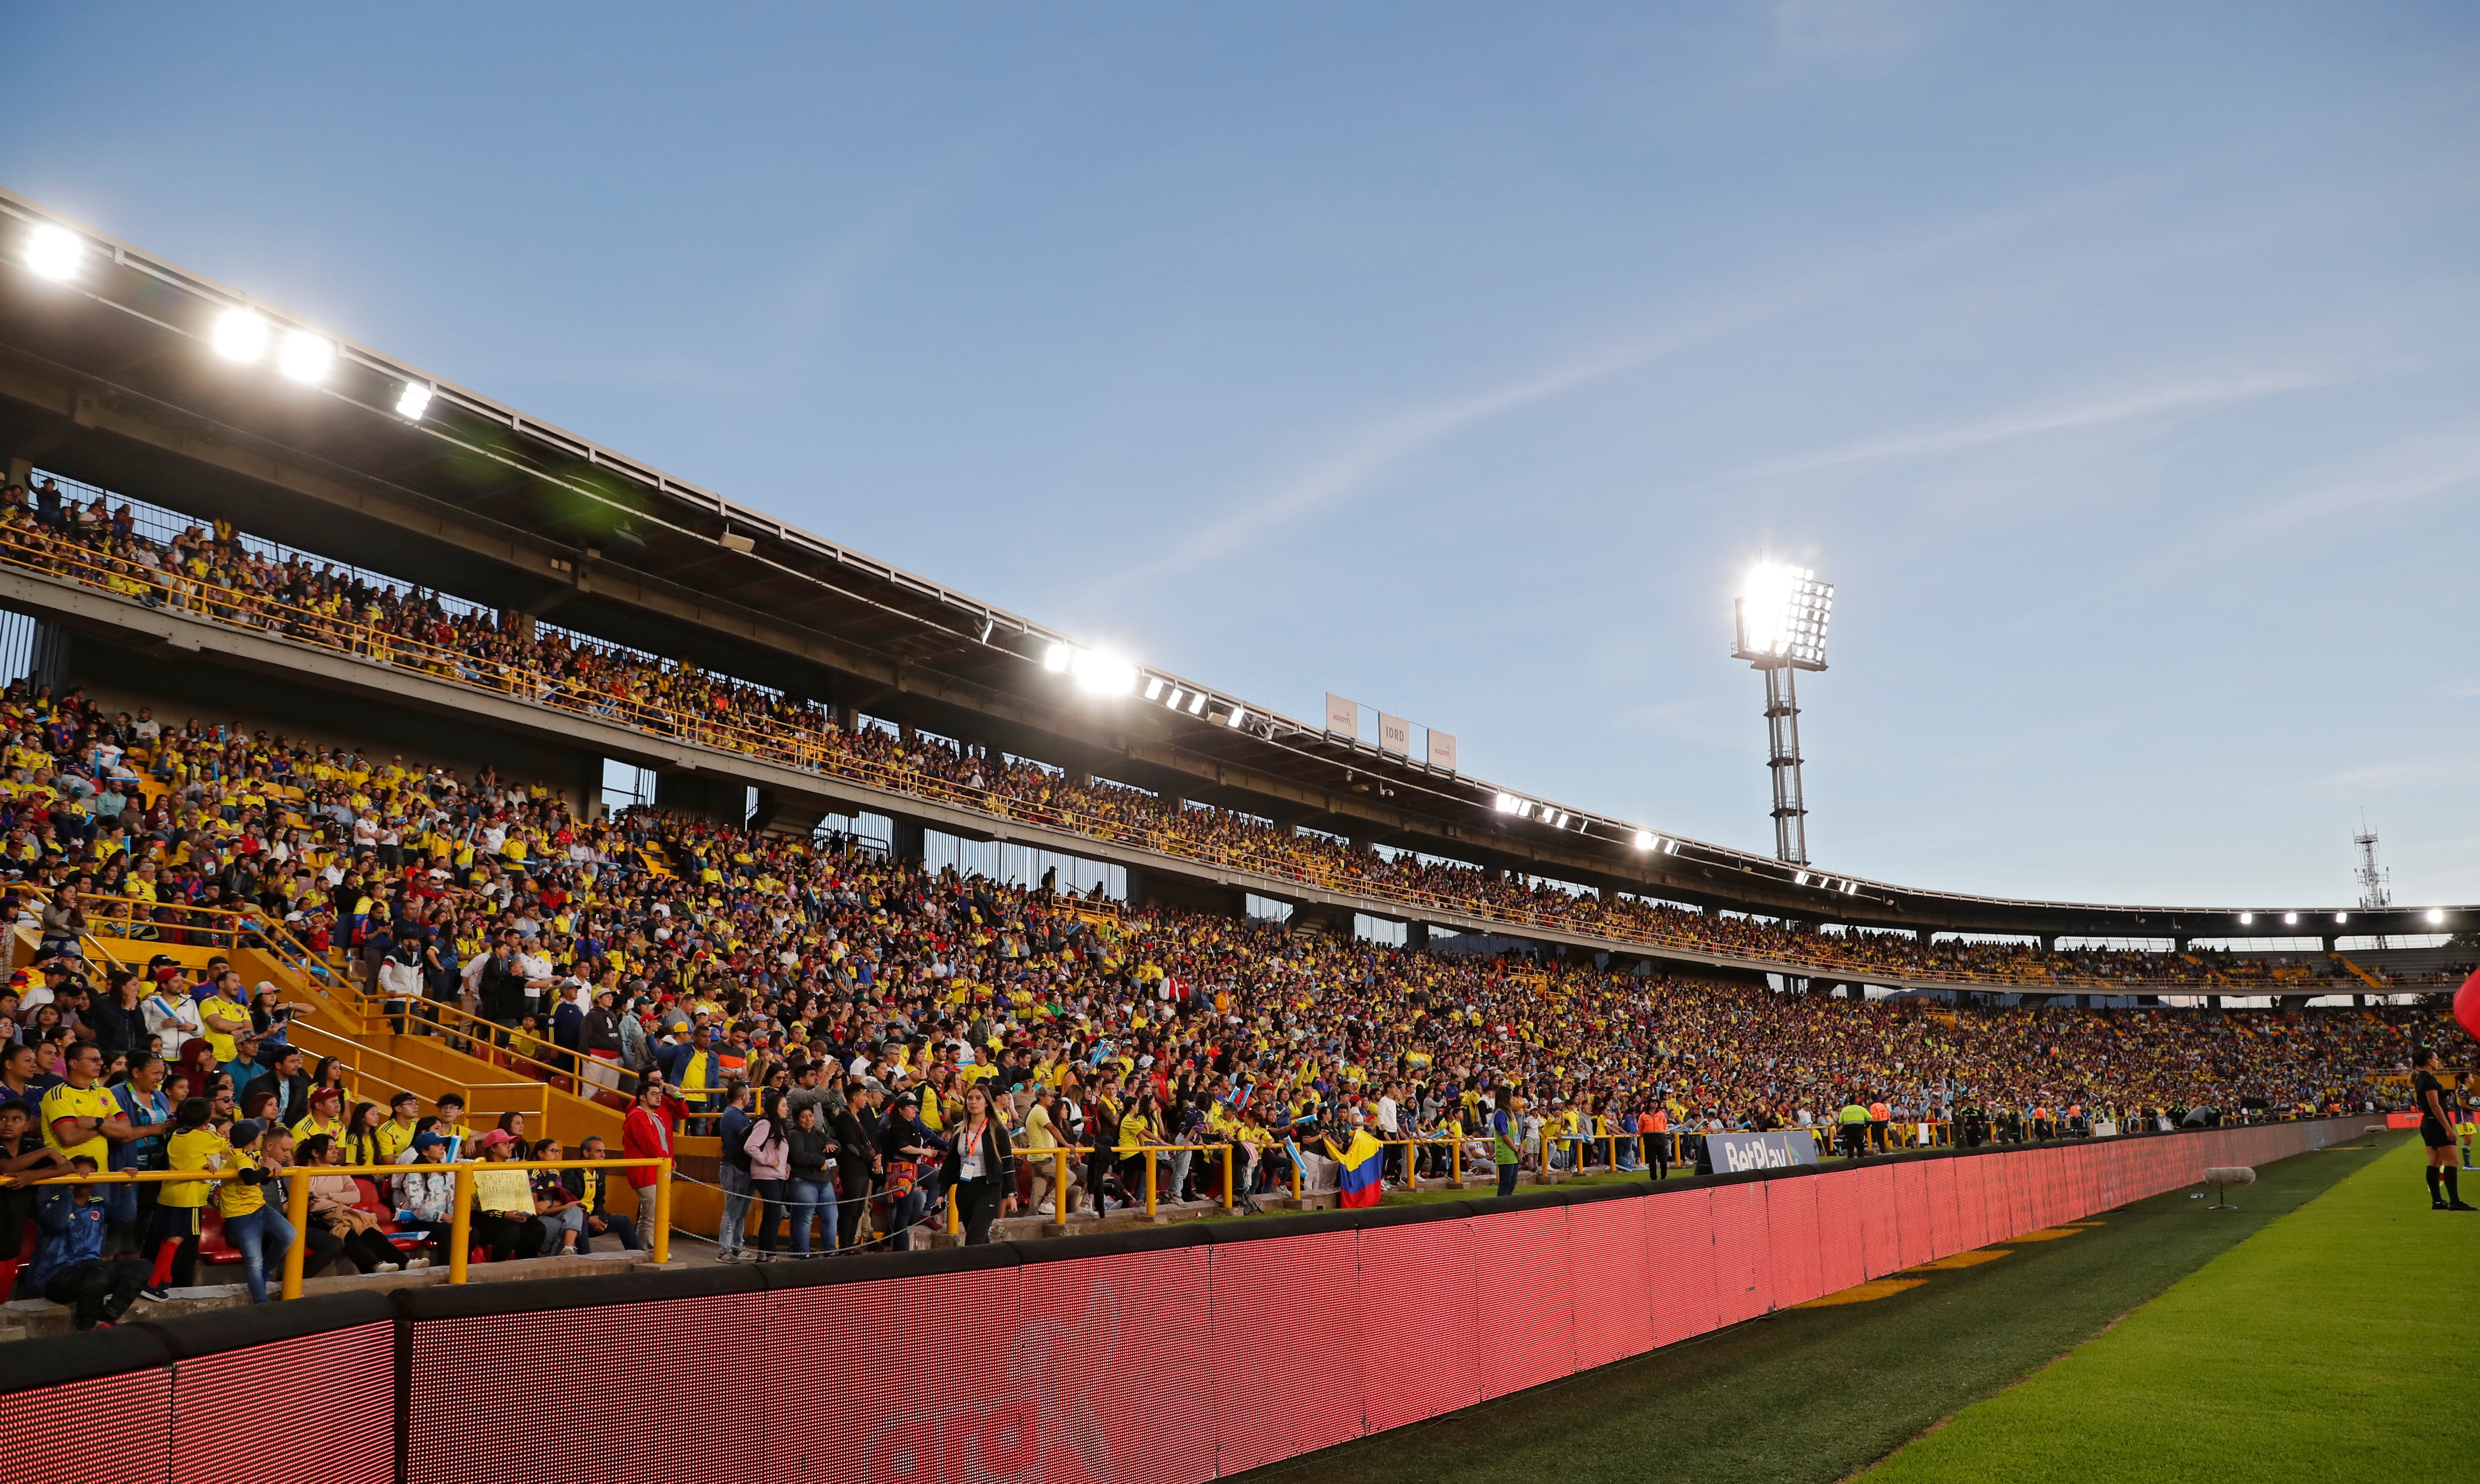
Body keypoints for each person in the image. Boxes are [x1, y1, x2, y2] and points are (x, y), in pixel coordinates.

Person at [27, 1155, 158, 1329]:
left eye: (91, 1173)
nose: (85, 1176)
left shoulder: (97, 1204)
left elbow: (127, 1216)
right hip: (57, 1276)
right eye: (80, 1172)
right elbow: (59, 1223)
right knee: (96, 1276)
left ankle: (108, 1318)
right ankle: (86, 1328)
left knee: (143, 1266)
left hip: (93, 1269)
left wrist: (127, 1185)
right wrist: (69, 1185)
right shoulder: (52, 1202)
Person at [214, 1119, 291, 1303]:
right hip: (241, 1215)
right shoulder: (240, 1157)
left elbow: (261, 1180)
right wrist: (267, 1168)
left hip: (260, 1207)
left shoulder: (252, 1154)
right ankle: (262, 1305)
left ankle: (265, 1273)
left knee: (288, 1234)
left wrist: (271, 1169)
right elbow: (249, 1178)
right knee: (253, 1262)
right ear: (254, 1140)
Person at [941, 1082, 1016, 1245]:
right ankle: (991, 1269)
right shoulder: (959, 1130)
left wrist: (1011, 1193)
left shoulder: (998, 1130)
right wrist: (941, 1192)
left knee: (974, 1239)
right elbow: (950, 1164)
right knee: (980, 1239)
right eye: (970, 1099)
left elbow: (1008, 1163)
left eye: (978, 1098)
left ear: (987, 1102)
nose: (973, 1102)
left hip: (989, 1188)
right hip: (965, 1188)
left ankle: (968, 1270)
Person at [469, 1128, 544, 1261]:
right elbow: (476, 1200)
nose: (511, 1147)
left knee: (537, 1228)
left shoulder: (512, 1168)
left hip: (508, 1213)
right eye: (505, 1144)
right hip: (481, 1215)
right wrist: (503, 1214)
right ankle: (498, 1268)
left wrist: (522, 1211)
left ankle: (525, 1266)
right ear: (493, 1148)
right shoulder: (478, 1166)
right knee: (510, 1229)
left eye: (510, 1143)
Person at [2412, 1049, 2472, 1211]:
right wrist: (2448, 1128)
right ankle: (2455, 1201)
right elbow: (2434, 1105)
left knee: (2435, 1162)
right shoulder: (2429, 1080)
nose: (2438, 1062)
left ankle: (2437, 1201)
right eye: (2436, 1059)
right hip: (2437, 1123)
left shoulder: (2420, 1079)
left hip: (2428, 1123)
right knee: (2452, 1161)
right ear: (2429, 1061)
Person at [620, 1078, 674, 1238]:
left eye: (660, 1094)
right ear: (642, 1097)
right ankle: (652, 1249)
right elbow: (651, 1146)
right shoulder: (638, 1116)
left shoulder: (655, 1118)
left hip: (654, 1171)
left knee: (647, 1214)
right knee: (654, 1214)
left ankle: (640, 1247)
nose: (659, 1097)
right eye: (654, 1094)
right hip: (645, 1172)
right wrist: (668, 1161)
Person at [570, 1135, 642, 1253]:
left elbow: (599, 1200)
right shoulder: (571, 1172)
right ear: (586, 1153)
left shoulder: (600, 1172)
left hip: (593, 1217)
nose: (604, 1155)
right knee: (581, 1220)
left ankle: (638, 1255)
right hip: (577, 1218)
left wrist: (598, 1219)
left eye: (604, 1151)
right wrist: (589, 1219)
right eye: (599, 1151)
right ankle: (586, 1259)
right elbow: (569, 1202)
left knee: (624, 1221)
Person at [743, 1091, 790, 1261]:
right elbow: (750, 1147)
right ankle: (770, 1254)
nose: (787, 1109)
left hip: (777, 1175)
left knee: (772, 1215)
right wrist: (768, 1161)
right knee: (774, 1215)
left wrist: (787, 1166)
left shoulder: (780, 1126)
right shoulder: (765, 1124)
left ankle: (764, 1254)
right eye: (783, 1105)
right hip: (765, 1175)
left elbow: (780, 1152)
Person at [714, 1083, 754, 1262]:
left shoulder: (737, 1114)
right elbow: (746, 1137)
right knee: (732, 1211)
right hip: (733, 1168)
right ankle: (725, 1250)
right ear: (743, 1096)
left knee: (741, 1212)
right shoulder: (732, 1115)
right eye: (749, 1095)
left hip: (742, 1168)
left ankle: (738, 1247)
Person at [783, 1105, 830, 1257]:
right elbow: (799, 1156)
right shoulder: (795, 1135)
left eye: (811, 1115)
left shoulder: (818, 1133)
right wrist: (819, 1162)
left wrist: (832, 1145)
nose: (809, 1119)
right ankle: (802, 1251)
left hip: (824, 1181)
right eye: (804, 1117)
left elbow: (833, 1142)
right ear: (797, 1120)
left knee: (831, 1217)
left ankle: (830, 1250)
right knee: (804, 1219)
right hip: (803, 1181)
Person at [1490, 1088, 1522, 1198]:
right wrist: (1516, 1149)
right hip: (1506, 1155)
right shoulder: (1500, 1114)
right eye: (1512, 1097)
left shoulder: (1511, 1113)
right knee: (1505, 1185)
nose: (1514, 1099)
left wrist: (1520, 1147)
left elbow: (1516, 1133)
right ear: (1506, 1099)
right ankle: (1501, 1210)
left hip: (1515, 1154)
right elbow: (1505, 1136)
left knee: (1512, 1185)